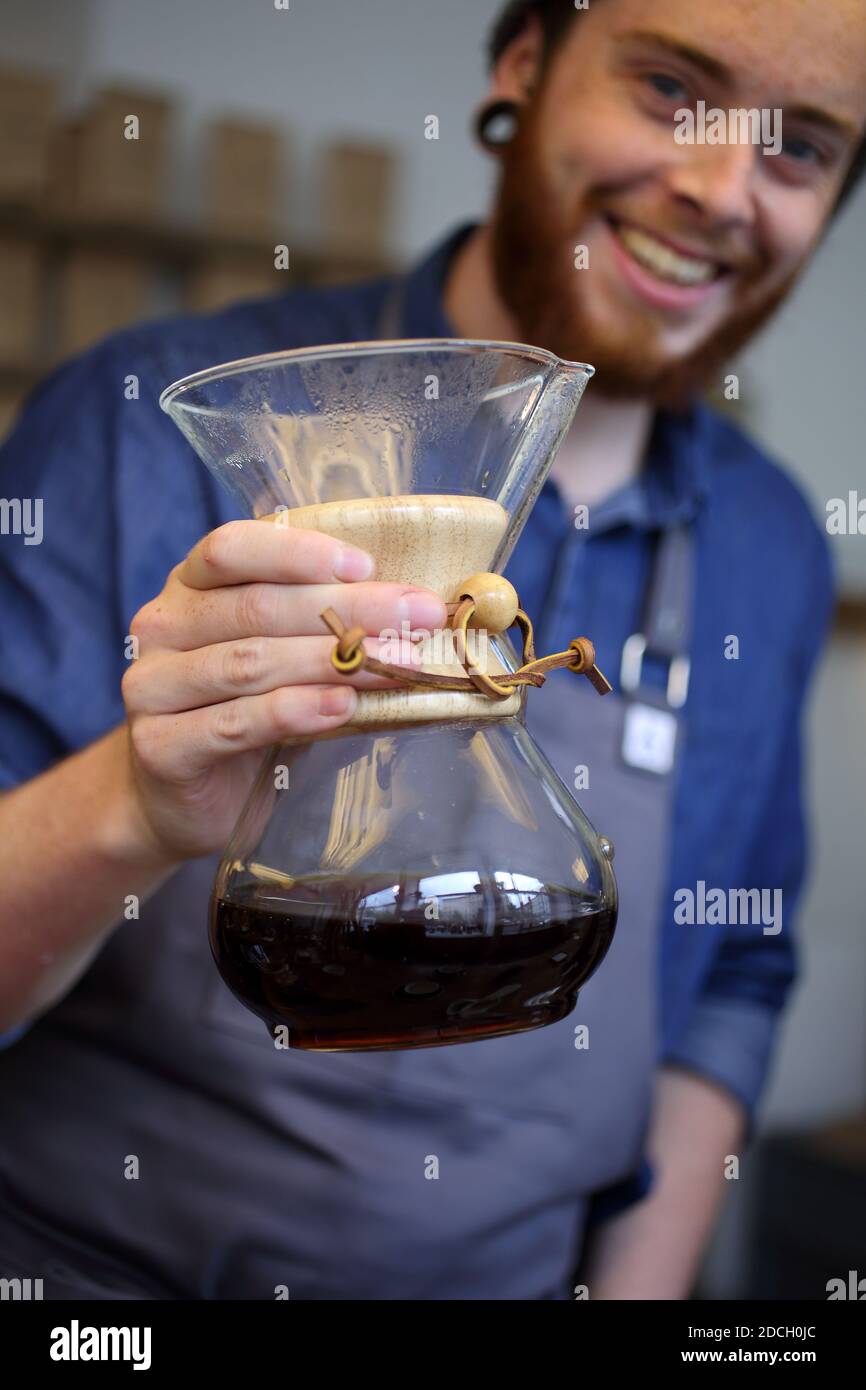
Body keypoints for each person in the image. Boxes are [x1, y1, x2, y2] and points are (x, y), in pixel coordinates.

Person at [0, 0, 864, 1301]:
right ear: (523, 64)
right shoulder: (140, 432)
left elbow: (731, 971)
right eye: (669, 88)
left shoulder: (771, 545)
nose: (713, 187)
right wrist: (129, 801)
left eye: (796, 145)